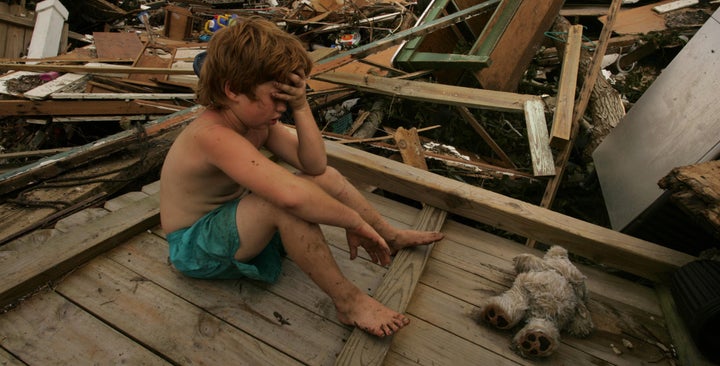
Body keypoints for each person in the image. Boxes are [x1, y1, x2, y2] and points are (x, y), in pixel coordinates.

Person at [159, 16, 444, 338]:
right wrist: (352, 222)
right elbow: (290, 196)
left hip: (232, 225)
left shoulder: (255, 121)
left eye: (288, 98)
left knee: (329, 178)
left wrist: (301, 105)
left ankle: (388, 236)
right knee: (280, 204)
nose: (282, 107)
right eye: (276, 97)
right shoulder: (212, 134)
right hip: (195, 247)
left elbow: (316, 165)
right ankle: (348, 302)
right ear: (233, 90)